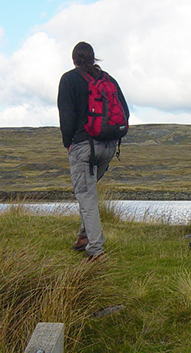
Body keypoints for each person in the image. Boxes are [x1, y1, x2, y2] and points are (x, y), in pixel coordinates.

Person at [57, 42, 129, 260]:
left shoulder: (69, 79)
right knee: (87, 193)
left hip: (84, 148)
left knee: (86, 197)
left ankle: (96, 251)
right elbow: (124, 110)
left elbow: (66, 117)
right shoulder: (108, 79)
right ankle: (84, 236)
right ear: (93, 58)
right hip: (108, 147)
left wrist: (67, 142)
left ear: (73, 60)